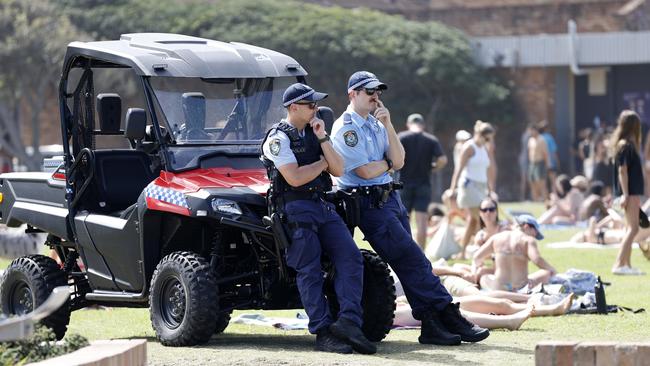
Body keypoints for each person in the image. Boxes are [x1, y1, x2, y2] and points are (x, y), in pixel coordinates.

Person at [331, 70, 489, 346]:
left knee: (410, 263)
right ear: (352, 94)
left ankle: (431, 324)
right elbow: (366, 171)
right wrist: (388, 163)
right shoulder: (346, 127)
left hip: (390, 198)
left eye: (378, 92)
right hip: (368, 201)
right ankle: (448, 313)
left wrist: (389, 125)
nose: (375, 97)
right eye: (370, 92)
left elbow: (400, 159)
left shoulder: (377, 123)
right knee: (413, 259)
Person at [261, 83, 375, 354]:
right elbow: (295, 177)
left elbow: (339, 167)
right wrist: (322, 164)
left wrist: (323, 139)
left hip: (322, 205)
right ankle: (323, 332)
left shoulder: (317, 132)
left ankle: (348, 321)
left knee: (351, 257)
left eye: (316, 104)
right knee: (309, 270)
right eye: (310, 105)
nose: (316, 109)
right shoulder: (278, 138)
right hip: (295, 210)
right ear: (293, 108)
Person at [398, 113, 447, 248]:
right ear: (423, 125)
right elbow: (442, 159)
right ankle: (421, 254)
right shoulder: (431, 139)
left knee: (403, 220)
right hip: (424, 184)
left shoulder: (402, 137)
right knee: (422, 221)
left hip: (404, 184)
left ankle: (404, 251)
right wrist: (433, 168)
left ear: (408, 124)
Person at [448, 120, 496, 259]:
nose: (489, 141)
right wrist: (452, 187)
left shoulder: (484, 148)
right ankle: (487, 252)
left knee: (473, 221)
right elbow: (459, 168)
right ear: (480, 134)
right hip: (468, 186)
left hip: (481, 186)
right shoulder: (469, 147)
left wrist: (490, 189)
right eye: (487, 138)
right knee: (482, 219)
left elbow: (487, 170)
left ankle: (463, 252)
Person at [472, 215, 557, 292]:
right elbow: (537, 260)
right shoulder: (527, 240)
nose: (534, 237)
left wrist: (480, 266)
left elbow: (476, 257)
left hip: (499, 288)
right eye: (535, 234)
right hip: (520, 288)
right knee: (546, 272)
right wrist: (551, 269)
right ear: (526, 226)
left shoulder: (497, 237)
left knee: (484, 277)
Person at [610, 110, 645, 275]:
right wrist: (625, 194)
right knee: (633, 229)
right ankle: (618, 264)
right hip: (629, 193)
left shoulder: (624, 145)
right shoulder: (626, 146)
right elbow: (622, 171)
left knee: (630, 229)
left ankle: (627, 265)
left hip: (630, 193)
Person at [527, 123, 550, 202]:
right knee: (532, 182)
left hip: (540, 163)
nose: (530, 133)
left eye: (532, 131)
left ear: (535, 130)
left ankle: (546, 200)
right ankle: (535, 200)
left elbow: (545, 153)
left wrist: (547, 164)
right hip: (532, 163)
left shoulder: (542, 139)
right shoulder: (530, 140)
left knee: (542, 183)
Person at [538, 121, 560, 196]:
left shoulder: (539, 138)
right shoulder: (549, 137)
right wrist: (557, 161)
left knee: (543, 181)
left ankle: (545, 196)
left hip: (541, 162)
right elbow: (553, 151)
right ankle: (555, 195)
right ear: (546, 129)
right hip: (550, 161)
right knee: (553, 180)